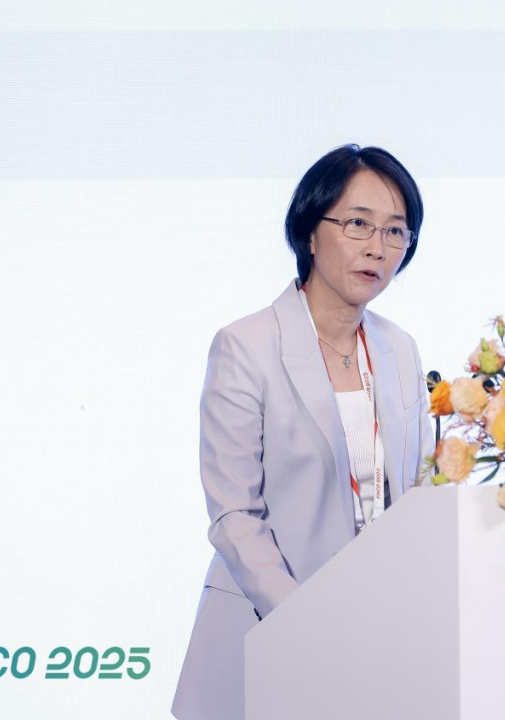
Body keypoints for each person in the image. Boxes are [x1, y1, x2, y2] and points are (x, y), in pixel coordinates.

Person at [171, 144, 434, 720]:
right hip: (269, 628)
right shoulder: (246, 345)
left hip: (377, 638)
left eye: (395, 231)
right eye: (358, 223)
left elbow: (418, 494)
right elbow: (234, 515)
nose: (377, 247)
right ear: (310, 231)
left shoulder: (399, 348)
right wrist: (304, 623)